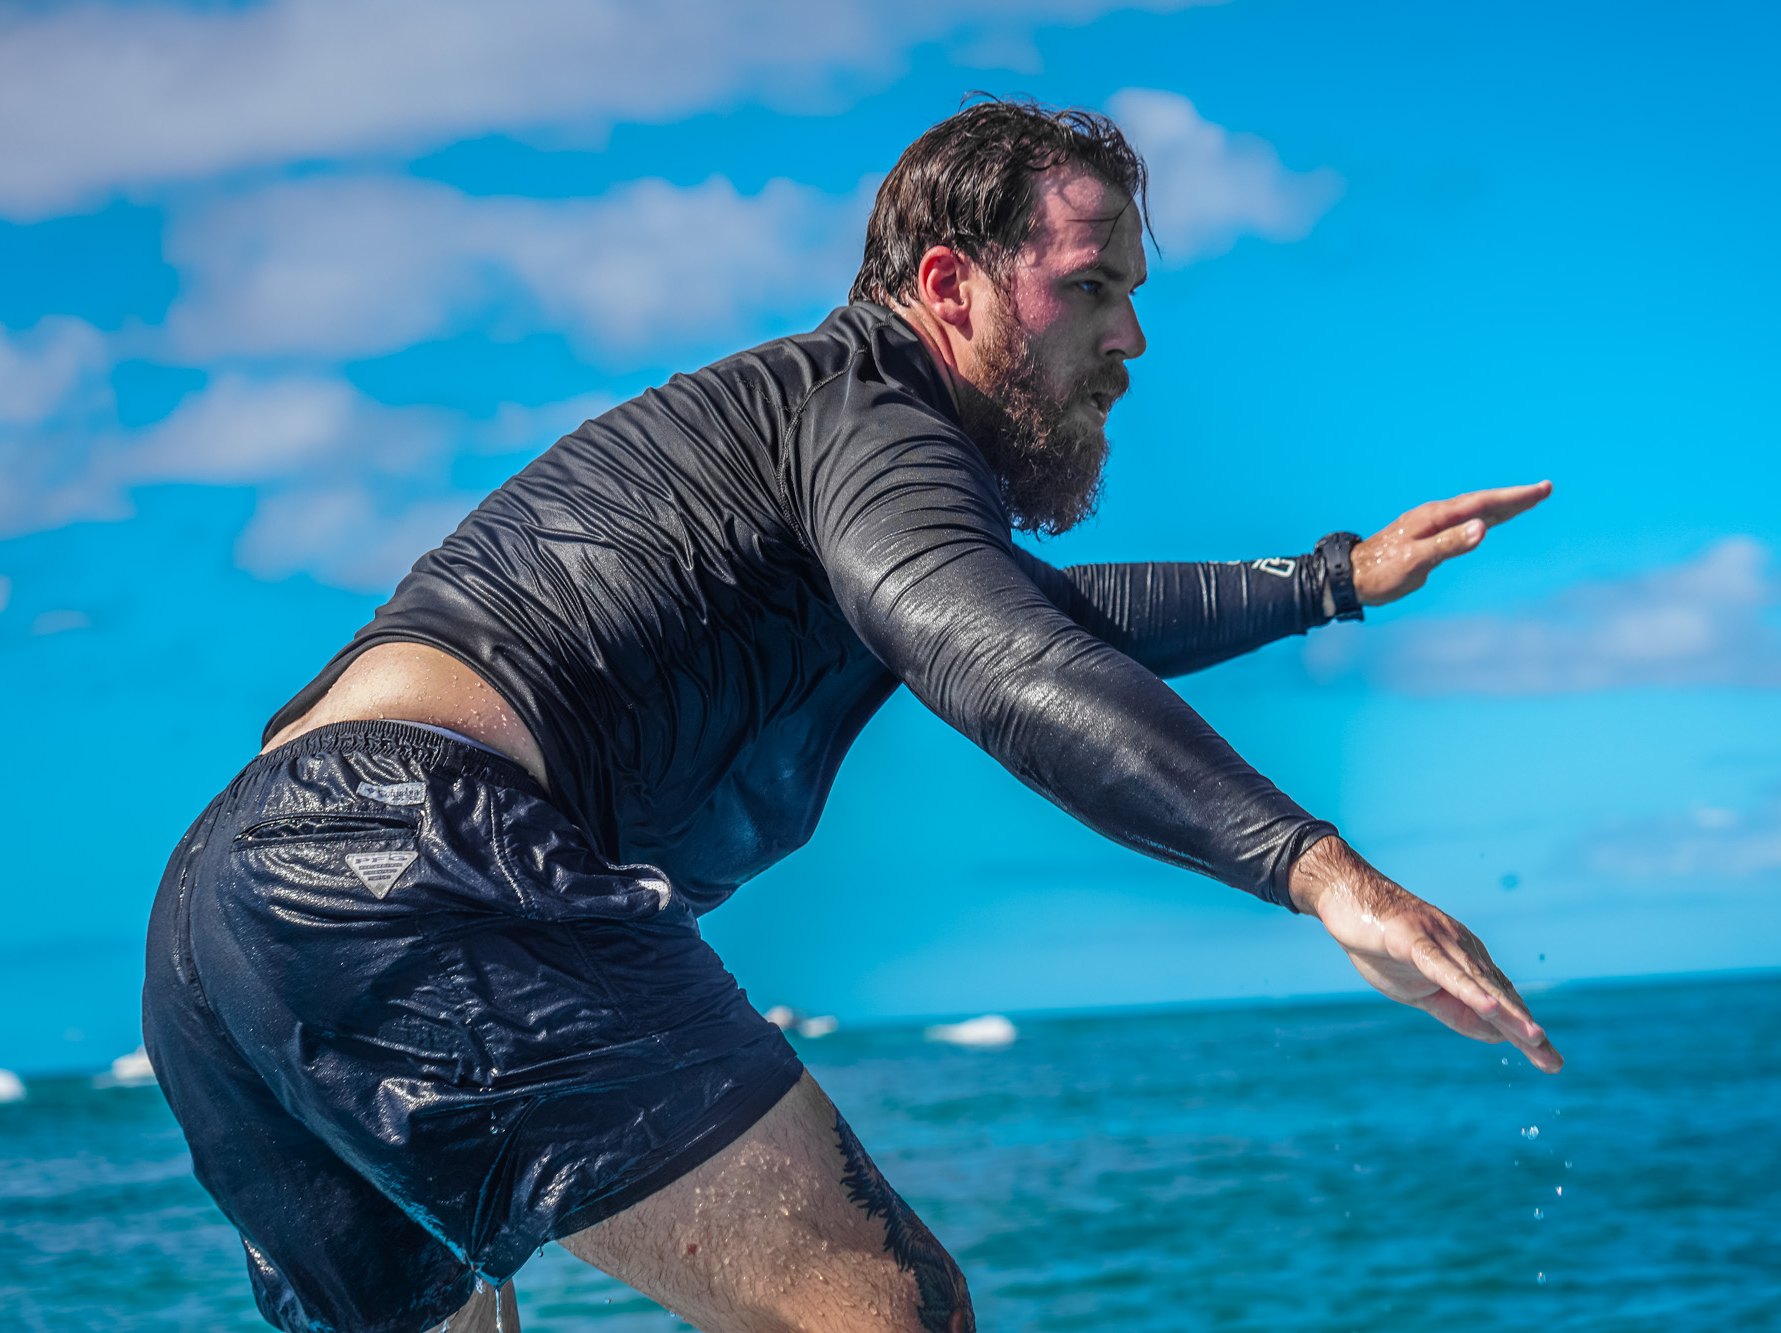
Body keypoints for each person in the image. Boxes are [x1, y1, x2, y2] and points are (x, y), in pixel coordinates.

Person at [144, 98, 1561, 1333]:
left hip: (224, 911)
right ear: (948, 284)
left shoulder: (810, 454)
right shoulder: (870, 412)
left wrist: (1336, 577)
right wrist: (1318, 872)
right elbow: (1003, 652)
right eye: (1089, 287)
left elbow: (1029, 613)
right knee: (891, 1314)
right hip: (416, 856)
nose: (1130, 337)